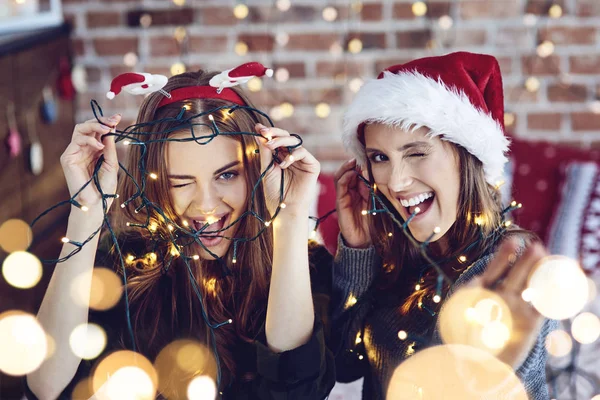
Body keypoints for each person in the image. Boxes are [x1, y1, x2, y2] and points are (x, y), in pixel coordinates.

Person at [25, 67, 335, 399]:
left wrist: (288, 217)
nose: (206, 205)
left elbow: (297, 388)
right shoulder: (121, 264)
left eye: (227, 175)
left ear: (257, 167)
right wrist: (85, 213)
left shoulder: (305, 265)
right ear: (153, 182)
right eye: (181, 182)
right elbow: (45, 385)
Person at [331, 52, 557, 399]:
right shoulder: (404, 253)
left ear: (467, 156)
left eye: (417, 153)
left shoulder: (503, 268)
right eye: (380, 158)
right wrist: (357, 251)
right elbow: (343, 365)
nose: (396, 181)